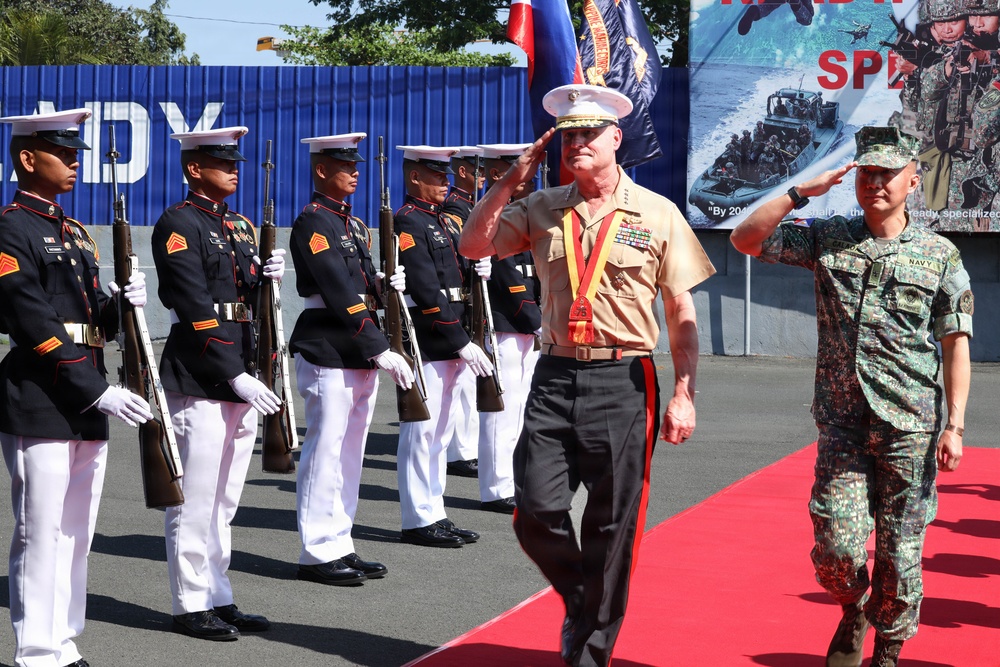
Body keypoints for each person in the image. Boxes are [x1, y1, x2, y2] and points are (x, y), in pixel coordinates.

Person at [459, 84, 716, 667]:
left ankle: (590, 651)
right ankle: (582, 600)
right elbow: (474, 245)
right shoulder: (542, 206)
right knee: (536, 510)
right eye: (567, 135)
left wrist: (684, 393)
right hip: (553, 374)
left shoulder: (657, 212)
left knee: (612, 526)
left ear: (616, 139)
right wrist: (507, 184)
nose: (576, 144)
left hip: (625, 380)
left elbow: (681, 311)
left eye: (588, 134)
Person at [730, 126, 972, 667]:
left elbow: (956, 342)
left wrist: (954, 426)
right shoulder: (828, 236)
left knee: (899, 552)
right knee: (837, 549)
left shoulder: (939, 256)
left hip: (908, 423)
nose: (876, 183)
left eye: (888, 174)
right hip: (841, 420)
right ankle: (853, 606)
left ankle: (888, 648)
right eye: (867, 172)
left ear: (914, 180)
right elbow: (744, 240)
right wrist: (799, 193)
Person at [0, 108, 153, 667]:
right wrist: (94, 389)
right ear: (26, 158)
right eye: (61, 154)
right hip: (44, 396)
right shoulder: (10, 227)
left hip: (86, 393)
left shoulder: (74, 230)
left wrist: (119, 305)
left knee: (76, 529)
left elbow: (89, 320)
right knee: (41, 531)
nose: (71, 163)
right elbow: (31, 320)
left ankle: (63, 640)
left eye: (73, 155)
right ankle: (37, 651)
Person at [151, 126, 285, 641]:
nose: (234, 168)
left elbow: (243, 301)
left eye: (235, 161)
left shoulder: (241, 227)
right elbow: (194, 308)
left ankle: (218, 593)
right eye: (221, 161)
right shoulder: (177, 224)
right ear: (193, 168)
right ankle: (190, 602)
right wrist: (235, 374)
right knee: (195, 499)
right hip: (203, 375)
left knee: (225, 500)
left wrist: (263, 277)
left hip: (241, 370)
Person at [288, 132, 413, 586]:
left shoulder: (353, 225)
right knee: (326, 450)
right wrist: (378, 344)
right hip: (330, 345)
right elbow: (337, 291)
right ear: (322, 170)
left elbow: (360, 284)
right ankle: (316, 550)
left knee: (350, 452)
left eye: (356, 164)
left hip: (356, 349)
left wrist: (386, 283)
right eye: (345, 165)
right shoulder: (313, 222)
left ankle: (341, 540)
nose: (355, 171)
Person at [394, 145, 493, 548]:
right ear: (416, 177)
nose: (446, 181)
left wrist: (478, 268)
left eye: (446, 174)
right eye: (436, 175)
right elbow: (424, 286)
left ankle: (435, 510)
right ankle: (417, 518)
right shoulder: (407, 221)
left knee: (442, 430)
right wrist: (458, 339)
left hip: (453, 331)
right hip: (431, 335)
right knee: (422, 431)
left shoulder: (440, 220)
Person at [474, 143, 542, 515]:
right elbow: (509, 280)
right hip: (505, 324)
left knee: (521, 409)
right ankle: (496, 487)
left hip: (528, 326)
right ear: (499, 175)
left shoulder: (528, 213)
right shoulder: (493, 215)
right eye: (517, 172)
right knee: (502, 410)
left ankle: (514, 480)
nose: (527, 179)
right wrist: (538, 323)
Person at [440, 146, 485, 479]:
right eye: (478, 171)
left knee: (468, 379)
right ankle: (461, 449)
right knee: (463, 382)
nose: (483, 177)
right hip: (461, 298)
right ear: (465, 173)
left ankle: (465, 446)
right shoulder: (456, 208)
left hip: (472, 298)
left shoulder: (472, 205)